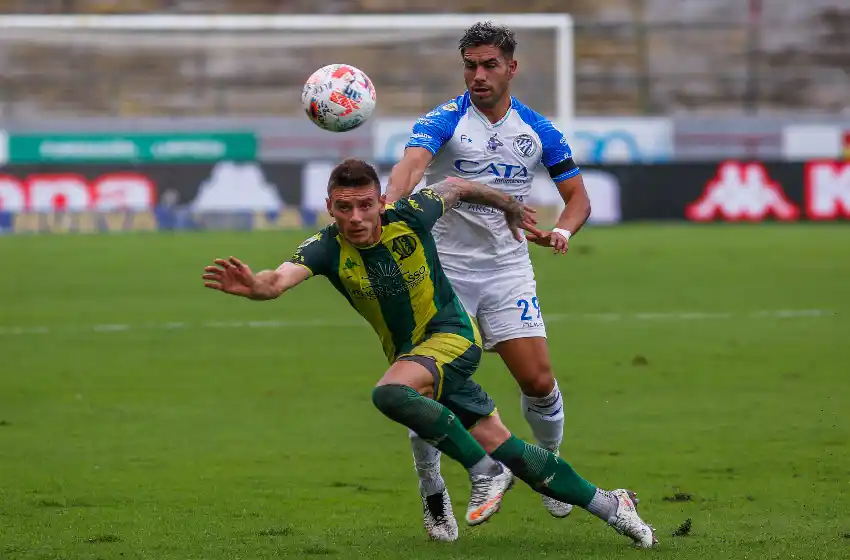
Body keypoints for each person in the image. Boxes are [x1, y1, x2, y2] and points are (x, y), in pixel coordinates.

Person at [201, 159, 657, 549]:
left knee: (390, 395)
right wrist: (255, 287)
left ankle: (482, 472)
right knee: (508, 445)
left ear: (381, 202)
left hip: (454, 337)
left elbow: (456, 186)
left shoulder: (411, 214)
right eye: (344, 208)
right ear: (330, 208)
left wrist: (510, 206)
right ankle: (610, 504)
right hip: (415, 355)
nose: (356, 217)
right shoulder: (325, 248)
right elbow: (278, 280)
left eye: (365, 205)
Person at [385, 21, 592, 538]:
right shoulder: (445, 119)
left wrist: (563, 231)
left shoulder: (537, 130)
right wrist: (391, 206)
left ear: (511, 68)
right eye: (470, 65)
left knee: (539, 381)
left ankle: (549, 465)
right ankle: (433, 488)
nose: (478, 75)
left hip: (507, 268)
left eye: (488, 65)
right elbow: (411, 167)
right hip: (444, 272)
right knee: (430, 387)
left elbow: (578, 198)